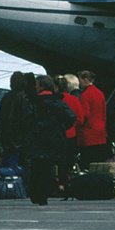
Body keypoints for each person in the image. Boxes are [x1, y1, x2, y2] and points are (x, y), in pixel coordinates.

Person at [25, 75, 76, 205]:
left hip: (37, 138)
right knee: (48, 168)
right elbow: (71, 116)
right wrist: (60, 128)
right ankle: (44, 195)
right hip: (53, 138)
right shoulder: (58, 102)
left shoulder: (33, 102)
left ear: (41, 86)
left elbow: (27, 120)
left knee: (36, 168)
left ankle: (35, 195)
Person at [56, 74, 85, 195]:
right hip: (71, 134)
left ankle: (58, 184)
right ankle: (66, 183)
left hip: (56, 135)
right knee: (68, 162)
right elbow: (81, 119)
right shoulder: (74, 100)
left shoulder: (55, 100)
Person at [76, 70, 110, 166]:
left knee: (87, 163)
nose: (79, 83)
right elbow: (104, 114)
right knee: (98, 163)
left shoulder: (85, 95)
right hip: (100, 132)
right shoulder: (100, 93)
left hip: (88, 133)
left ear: (85, 80)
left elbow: (85, 115)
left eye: (80, 80)